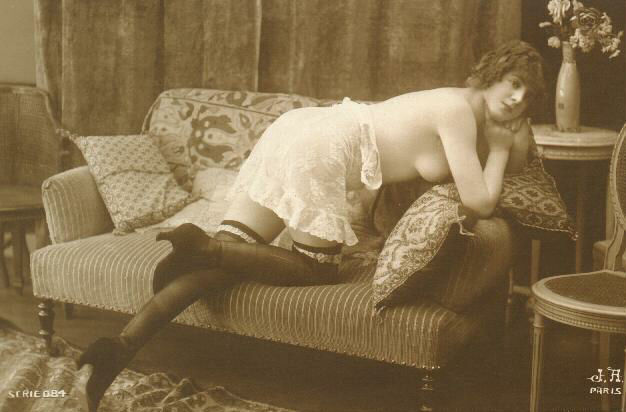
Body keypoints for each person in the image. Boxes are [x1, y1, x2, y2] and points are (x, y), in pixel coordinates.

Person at [76, 40, 545, 411]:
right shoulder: (458, 111)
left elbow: (519, 168)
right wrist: (501, 149)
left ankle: (118, 348)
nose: (517, 98)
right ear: (494, 71)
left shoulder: (465, 112)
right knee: (317, 268)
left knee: (219, 265)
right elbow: (480, 201)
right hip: (323, 147)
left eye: (528, 95)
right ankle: (208, 249)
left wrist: (510, 139)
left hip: (299, 130)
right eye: (514, 83)